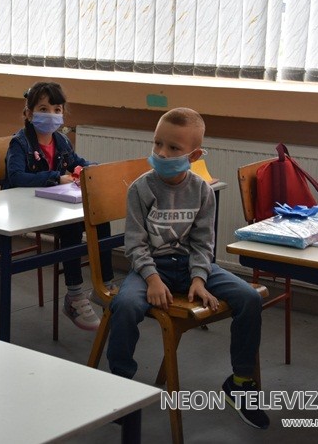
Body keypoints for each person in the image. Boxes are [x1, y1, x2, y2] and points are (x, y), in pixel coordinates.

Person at [107, 107, 269, 429]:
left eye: (173, 148)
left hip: (191, 267)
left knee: (249, 298)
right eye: (157, 143)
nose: (161, 153)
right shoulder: (140, 188)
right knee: (124, 305)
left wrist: (198, 279)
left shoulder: (202, 191)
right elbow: (135, 244)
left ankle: (239, 382)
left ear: (194, 155)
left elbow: (203, 243)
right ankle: (120, 384)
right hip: (151, 268)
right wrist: (152, 279)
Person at [4, 81, 114, 331]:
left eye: (57, 110)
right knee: (71, 227)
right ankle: (74, 295)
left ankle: (104, 286)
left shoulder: (61, 141)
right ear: (29, 113)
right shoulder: (20, 143)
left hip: (52, 204)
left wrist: (91, 168)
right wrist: (56, 177)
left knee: (100, 217)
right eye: (43, 109)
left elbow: (76, 162)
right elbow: (17, 177)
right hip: (26, 208)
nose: (51, 115)